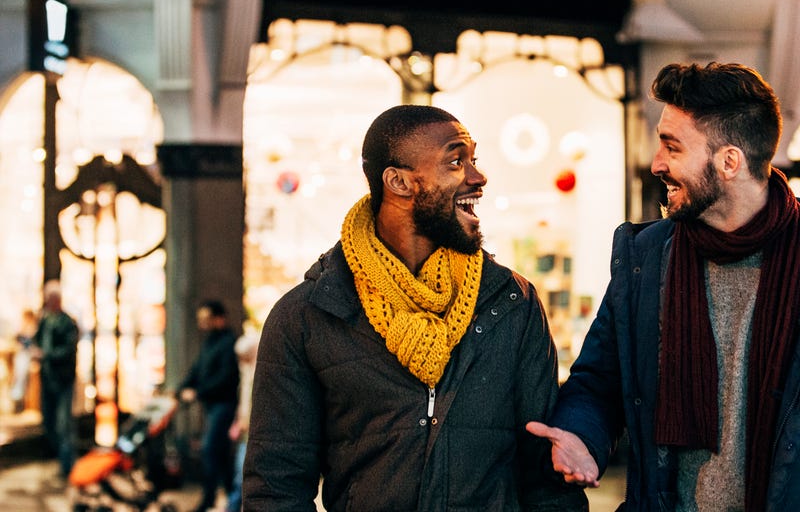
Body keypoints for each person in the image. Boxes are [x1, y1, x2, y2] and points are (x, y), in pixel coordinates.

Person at [243, 104, 587, 511]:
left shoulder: (513, 303)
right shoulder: (308, 316)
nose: (478, 177)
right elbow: (275, 487)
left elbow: (547, 480)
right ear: (399, 182)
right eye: (456, 161)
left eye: (474, 160)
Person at [527, 61, 800, 511]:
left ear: (729, 161)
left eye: (672, 147)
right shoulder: (646, 259)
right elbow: (599, 381)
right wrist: (580, 436)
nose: (656, 164)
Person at [179, 299, 240, 512]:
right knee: (219, 452)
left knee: (211, 449)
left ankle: (210, 498)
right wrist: (181, 389)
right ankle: (232, 496)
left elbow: (226, 377)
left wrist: (197, 391)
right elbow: (197, 370)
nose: (202, 324)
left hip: (224, 405)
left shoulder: (229, 343)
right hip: (212, 405)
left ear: (218, 318)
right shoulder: (210, 342)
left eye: (206, 319)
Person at [33, 279, 79, 479]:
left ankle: (68, 465)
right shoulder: (45, 320)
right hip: (48, 379)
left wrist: (47, 355)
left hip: (63, 380)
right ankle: (60, 457)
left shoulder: (67, 323)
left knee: (64, 424)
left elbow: (68, 351)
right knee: (50, 422)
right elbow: (37, 341)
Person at [226, 326, 259, 512]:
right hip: (245, 433)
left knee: (242, 477)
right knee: (240, 476)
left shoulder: (258, 374)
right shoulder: (247, 374)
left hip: (252, 435)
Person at [10, 308, 38, 412]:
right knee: (20, 371)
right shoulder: (22, 329)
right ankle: (17, 398)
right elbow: (18, 341)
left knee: (23, 369)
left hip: (30, 356)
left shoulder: (34, 328)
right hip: (24, 356)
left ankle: (19, 398)